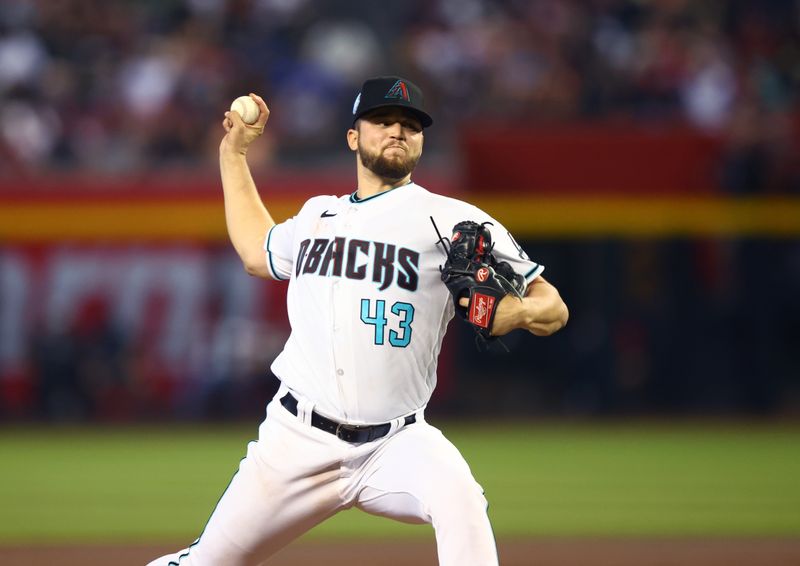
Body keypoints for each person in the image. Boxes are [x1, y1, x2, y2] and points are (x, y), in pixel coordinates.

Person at [149, 76, 568, 566]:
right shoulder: (315, 216)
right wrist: (233, 154)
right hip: (296, 439)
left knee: (462, 501)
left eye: (411, 125)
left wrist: (513, 311)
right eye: (383, 121)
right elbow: (256, 251)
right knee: (208, 563)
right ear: (354, 136)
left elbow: (553, 306)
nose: (397, 131)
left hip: (396, 440)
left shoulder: (454, 220)